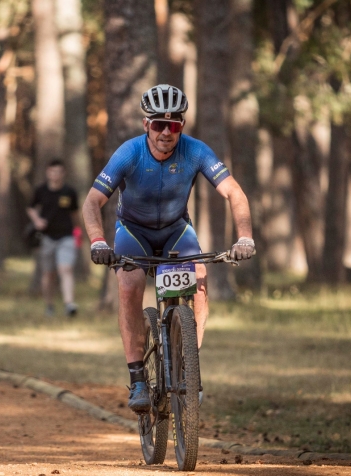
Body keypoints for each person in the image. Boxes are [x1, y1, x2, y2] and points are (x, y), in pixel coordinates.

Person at [82, 84, 255, 413]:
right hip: (133, 232)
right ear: (146, 125)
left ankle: (188, 366)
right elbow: (92, 202)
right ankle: (136, 379)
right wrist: (98, 241)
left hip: (176, 230)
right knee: (130, 285)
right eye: (158, 124)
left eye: (173, 124)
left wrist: (244, 236)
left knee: (200, 280)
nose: (165, 132)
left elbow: (235, 193)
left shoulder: (195, 151)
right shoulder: (130, 153)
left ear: (182, 127)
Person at [27, 159, 81, 317]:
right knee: (48, 273)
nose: (55, 175)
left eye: (58, 171)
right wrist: (37, 220)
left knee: (66, 269)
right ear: (47, 173)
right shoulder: (41, 190)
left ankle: (69, 304)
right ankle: (49, 305)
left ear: (63, 173)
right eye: (52, 171)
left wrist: (78, 232)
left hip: (67, 236)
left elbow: (75, 214)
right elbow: (30, 208)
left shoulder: (70, 192)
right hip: (47, 237)